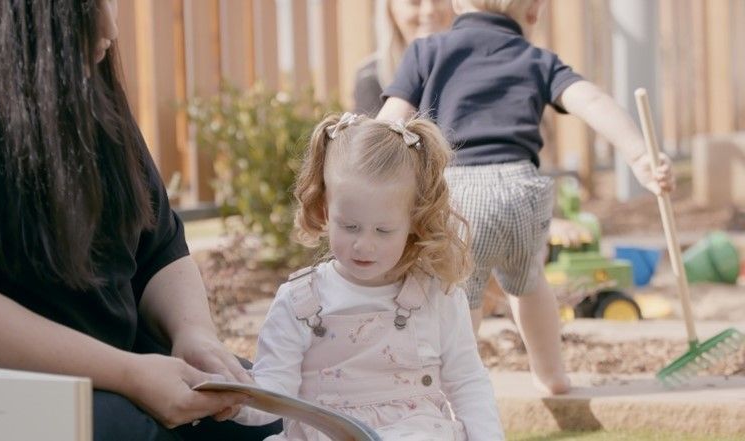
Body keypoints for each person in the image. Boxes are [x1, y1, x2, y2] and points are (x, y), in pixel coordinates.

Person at [0, 1, 281, 439]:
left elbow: (158, 247)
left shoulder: (87, 86)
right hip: (2, 388)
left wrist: (193, 335)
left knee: (273, 417)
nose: (112, 26)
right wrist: (129, 374)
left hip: (130, 364)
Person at [378, 0, 675, 395]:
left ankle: (452, 387)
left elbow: (390, 121)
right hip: (522, 188)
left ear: (455, 4)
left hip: (459, 193)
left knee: (460, 295)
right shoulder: (537, 59)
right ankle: (551, 374)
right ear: (534, 11)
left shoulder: (426, 50)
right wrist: (640, 155)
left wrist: (363, 172)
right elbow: (592, 101)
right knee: (529, 284)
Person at [231, 113, 504, 440]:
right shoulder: (300, 301)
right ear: (325, 209)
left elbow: (467, 381)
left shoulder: (436, 296)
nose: (364, 244)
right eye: (349, 226)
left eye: (384, 230)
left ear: (414, 222)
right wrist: (234, 402)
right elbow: (274, 391)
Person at [353, 0, 454, 116]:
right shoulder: (371, 76)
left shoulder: (473, 66)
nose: (429, 10)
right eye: (414, 2)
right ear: (391, 10)